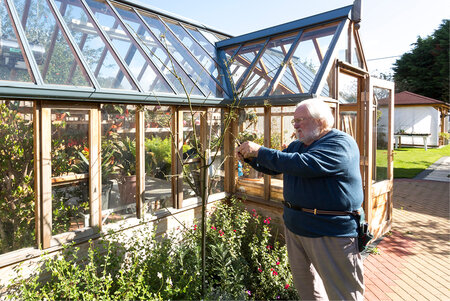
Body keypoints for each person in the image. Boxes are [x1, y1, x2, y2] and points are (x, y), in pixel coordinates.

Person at [236, 98, 364, 300]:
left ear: (320, 121)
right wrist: (251, 158)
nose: (295, 125)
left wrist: (260, 151)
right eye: (294, 120)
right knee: (308, 291)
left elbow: (305, 164)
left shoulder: (340, 143)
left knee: (343, 294)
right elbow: (277, 165)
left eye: (300, 120)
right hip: (296, 229)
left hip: (329, 232)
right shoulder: (298, 145)